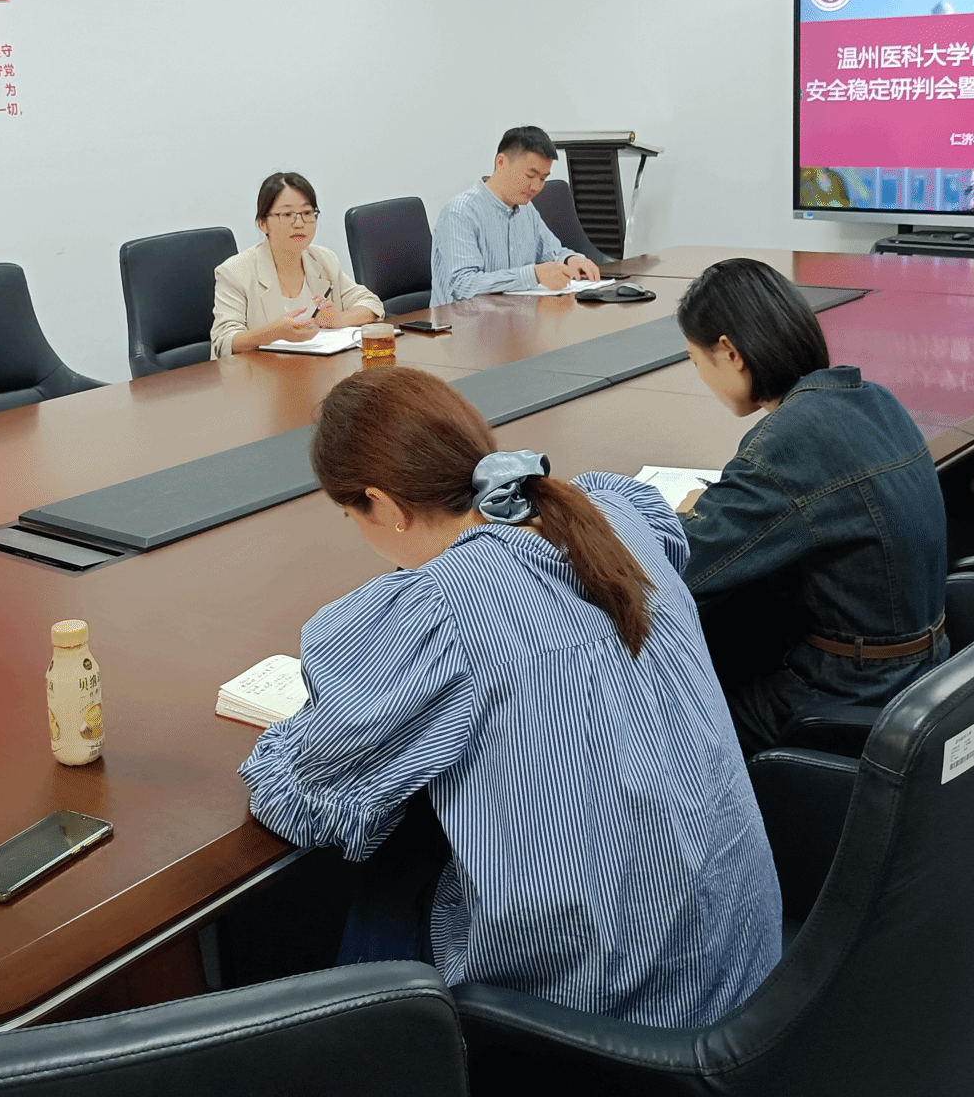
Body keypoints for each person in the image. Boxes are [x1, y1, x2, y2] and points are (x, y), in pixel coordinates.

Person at [239, 366, 782, 1029]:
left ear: (383, 504)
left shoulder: (439, 610)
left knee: (384, 876)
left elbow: (304, 804)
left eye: (349, 513)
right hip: (743, 959)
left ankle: (377, 1058)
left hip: (613, 1010)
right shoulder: (610, 516)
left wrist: (301, 728)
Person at [674, 259, 948, 754]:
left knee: (669, 715)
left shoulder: (785, 442)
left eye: (696, 361)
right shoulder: (875, 399)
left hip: (853, 688)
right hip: (930, 666)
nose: (701, 377)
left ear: (730, 352)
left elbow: (684, 567)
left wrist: (682, 515)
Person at [212, 172, 384, 356]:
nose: (299, 223)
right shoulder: (235, 272)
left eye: (307, 213)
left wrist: (340, 319)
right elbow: (224, 342)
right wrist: (273, 333)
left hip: (319, 368)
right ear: (262, 223)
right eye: (287, 214)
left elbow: (371, 304)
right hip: (262, 372)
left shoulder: (323, 259)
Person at [429, 126, 602, 306]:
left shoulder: (526, 210)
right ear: (501, 162)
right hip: (462, 321)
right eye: (530, 175)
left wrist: (570, 259)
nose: (536, 187)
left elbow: (552, 252)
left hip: (513, 315)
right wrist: (533, 274)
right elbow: (463, 286)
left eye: (542, 179)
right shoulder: (460, 213)